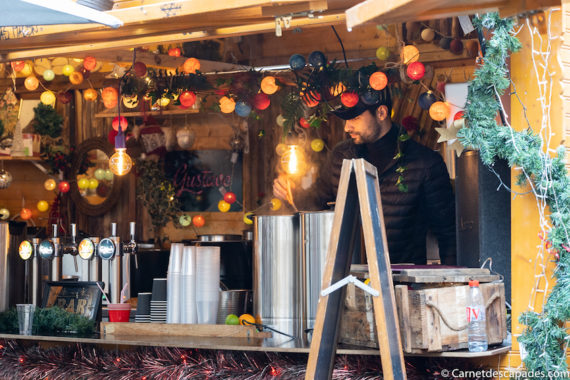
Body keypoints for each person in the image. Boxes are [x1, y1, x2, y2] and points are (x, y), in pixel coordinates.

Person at [273, 89, 456, 265]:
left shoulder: (426, 163)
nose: (347, 127)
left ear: (381, 113)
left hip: (401, 284)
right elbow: (317, 203)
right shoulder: (341, 156)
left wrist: (453, 285)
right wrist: (292, 193)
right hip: (349, 279)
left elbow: (449, 233)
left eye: (354, 118)